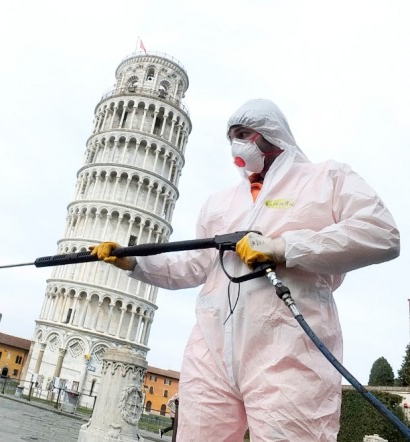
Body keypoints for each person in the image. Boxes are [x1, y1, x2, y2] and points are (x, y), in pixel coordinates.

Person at [90, 99, 400, 440]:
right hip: (211, 352)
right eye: (231, 137)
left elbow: (380, 233)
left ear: (272, 134)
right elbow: (194, 265)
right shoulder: (221, 202)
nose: (237, 144)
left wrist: (284, 248)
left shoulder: (326, 178)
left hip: (288, 353)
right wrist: (134, 261)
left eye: (244, 133)